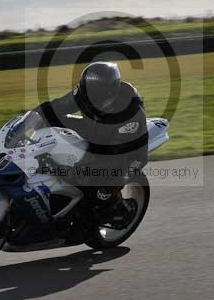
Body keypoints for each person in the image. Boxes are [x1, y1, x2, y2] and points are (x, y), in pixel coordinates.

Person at [33, 61, 148, 227]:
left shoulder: (129, 111)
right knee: (51, 121)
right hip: (95, 131)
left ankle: (117, 212)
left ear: (111, 92)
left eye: (97, 95)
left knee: (101, 188)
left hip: (127, 150)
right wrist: (33, 116)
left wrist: (74, 167)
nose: (90, 100)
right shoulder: (82, 94)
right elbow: (58, 106)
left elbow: (111, 153)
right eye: (88, 93)